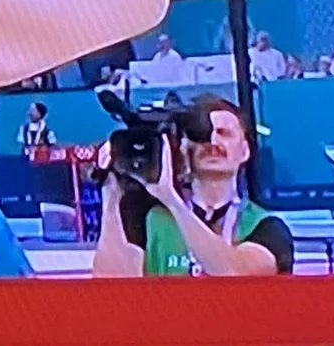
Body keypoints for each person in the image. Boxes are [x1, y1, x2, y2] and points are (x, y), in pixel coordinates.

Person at [92, 97, 293, 277]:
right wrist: (111, 191)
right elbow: (110, 287)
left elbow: (236, 274)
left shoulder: (266, 226)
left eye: (224, 134)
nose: (213, 142)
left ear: (245, 151)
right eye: (200, 135)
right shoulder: (151, 218)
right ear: (183, 148)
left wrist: (171, 199)